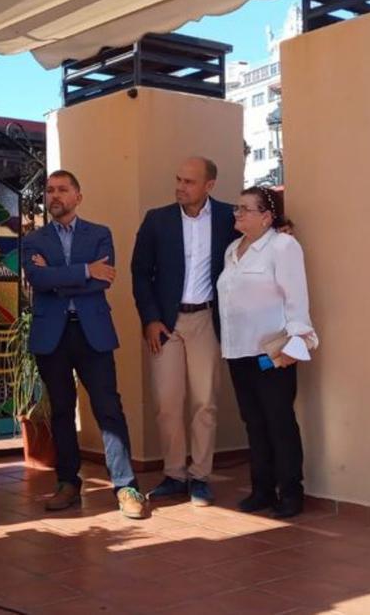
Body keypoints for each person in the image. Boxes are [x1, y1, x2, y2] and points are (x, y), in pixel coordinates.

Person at [24, 170, 149, 520]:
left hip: (91, 332)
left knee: (108, 408)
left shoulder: (100, 234)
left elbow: (103, 280)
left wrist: (59, 277)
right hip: (53, 336)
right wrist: (83, 272)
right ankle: (67, 483)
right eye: (49, 190)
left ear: (78, 196)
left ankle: (126, 486)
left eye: (63, 189)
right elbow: (37, 279)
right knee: (62, 410)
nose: (55, 196)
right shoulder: (34, 240)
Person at [131, 157, 238, 506]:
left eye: (189, 182)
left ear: (209, 185)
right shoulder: (156, 219)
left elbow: (259, 236)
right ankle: (175, 474)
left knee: (205, 401)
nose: (180, 186)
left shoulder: (228, 218)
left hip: (207, 319)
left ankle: (200, 476)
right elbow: (140, 273)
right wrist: (150, 319)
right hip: (166, 324)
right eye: (178, 179)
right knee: (167, 402)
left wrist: (285, 229)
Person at [216, 186, 317, 519]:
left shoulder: (283, 246)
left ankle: (290, 491)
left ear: (266, 216)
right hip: (238, 349)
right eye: (237, 208)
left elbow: (296, 297)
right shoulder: (232, 249)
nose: (238, 214)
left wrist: (297, 340)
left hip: (272, 351)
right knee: (253, 423)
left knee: (279, 421)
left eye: (245, 209)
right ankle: (262, 489)